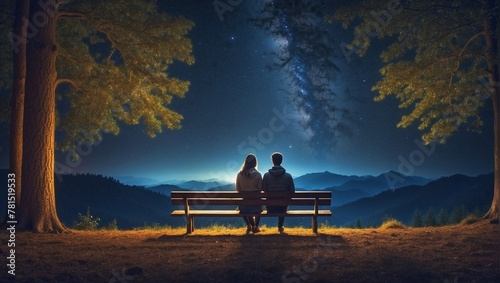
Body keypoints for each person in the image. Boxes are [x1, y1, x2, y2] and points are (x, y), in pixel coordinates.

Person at [262, 152, 295, 234]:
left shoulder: (266, 176)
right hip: (282, 207)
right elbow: (292, 191)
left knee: (280, 202)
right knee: (282, 203)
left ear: (272, 161)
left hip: (270, 207)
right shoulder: (288, 176)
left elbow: (263, 189)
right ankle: (280, 226)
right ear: (281, 161)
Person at [236, 153, 262, 234]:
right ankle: (256, 226)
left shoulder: (239, 175)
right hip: (256, 206)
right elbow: (260, 189)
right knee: (257, 204)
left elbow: (238, 189)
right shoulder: (258, 174)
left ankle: (249, 225)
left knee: (244, 206)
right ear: (255, 163)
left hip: (244, 206)